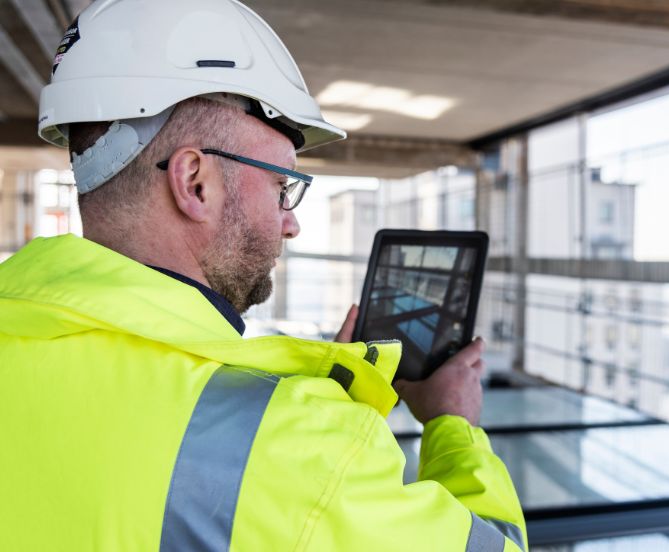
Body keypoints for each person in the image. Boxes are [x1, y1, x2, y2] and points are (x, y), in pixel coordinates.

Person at [0, 0, 526, 550]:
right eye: (281, 186)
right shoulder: (294, 451)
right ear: (195, 182)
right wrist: (452, 425)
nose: (291, 223)